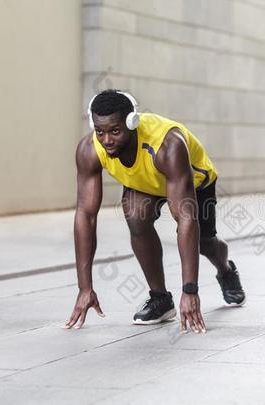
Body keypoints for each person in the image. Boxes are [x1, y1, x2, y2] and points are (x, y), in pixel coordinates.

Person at [63, 90, 245, 333]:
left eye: (115, 131)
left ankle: (226, 270)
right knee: (136, 217)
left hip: (194, 181)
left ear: (132, 123)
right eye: (100, 131)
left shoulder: (168, 145)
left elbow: (186, 219)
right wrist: (84, 287)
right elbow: (86, 214)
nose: (106, 140)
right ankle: (160, 298)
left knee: (203, 242)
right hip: (145, 183)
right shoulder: (90, 149)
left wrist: (190, 291)